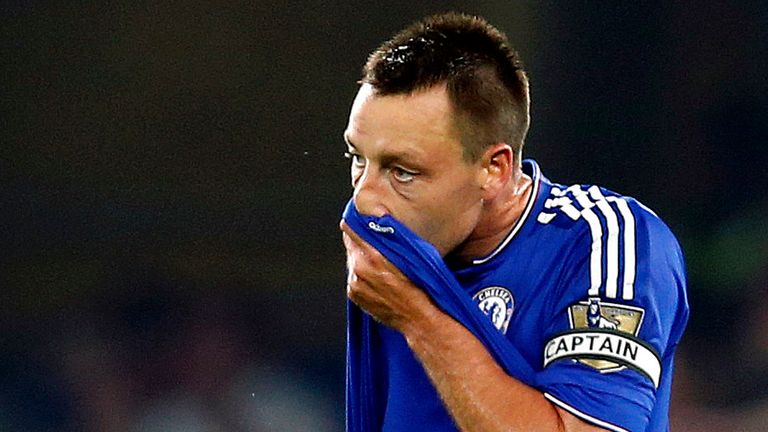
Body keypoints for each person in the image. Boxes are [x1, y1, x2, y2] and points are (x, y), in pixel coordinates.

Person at [340, 12, 688, 432]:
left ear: (494, 168)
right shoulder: (396, 256)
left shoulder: (605, 242)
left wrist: (420, 319)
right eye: (358, 158)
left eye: (403, 171)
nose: (365, 200)